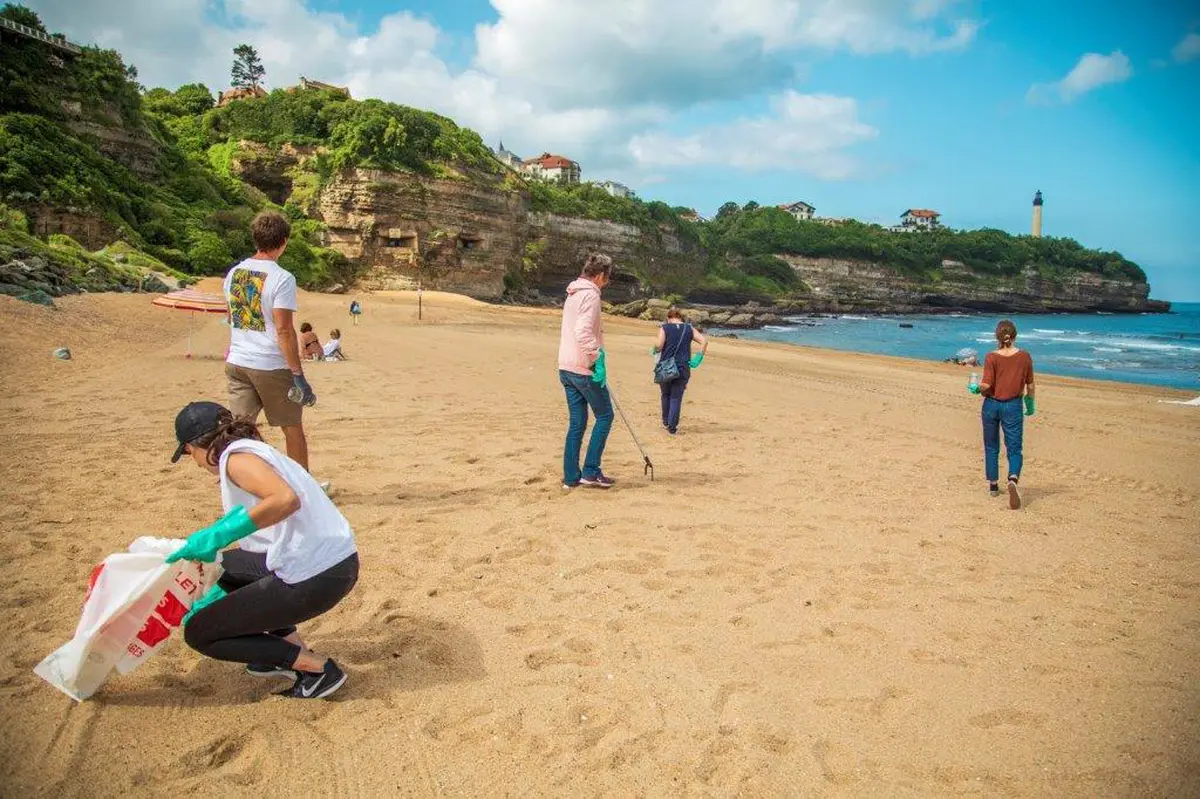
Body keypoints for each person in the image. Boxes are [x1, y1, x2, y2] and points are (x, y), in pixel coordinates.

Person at [167, 401, 358, 699]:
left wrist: (218, 534)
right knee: (221, 567)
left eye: (189, 454)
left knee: (199, 633)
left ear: (194, 447)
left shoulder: (235, 459)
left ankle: (316, 669)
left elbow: (284, 499)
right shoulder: (250, 450)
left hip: (316, 576)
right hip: (338, 562)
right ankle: (287, 649)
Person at [223, 211, 317, 472]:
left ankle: (246, 483)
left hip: (237, 362)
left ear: (255, 238)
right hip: (269, 365)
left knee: (241, 432)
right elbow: (284, 330)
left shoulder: (234, 274)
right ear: (284, 241)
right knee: (292, 427)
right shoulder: (282, 278)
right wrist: (298, 374)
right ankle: (302, 487)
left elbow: (232, 317)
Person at [558, 253, 615, 490]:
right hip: (583, 368)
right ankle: (590, 471)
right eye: (608, 278)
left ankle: (571, 477)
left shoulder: (573, 293)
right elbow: (582, 331)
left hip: (566, 366)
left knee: (577, 422)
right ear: (600, 275)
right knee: (605, 416)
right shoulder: (590, 295)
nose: (608, 283)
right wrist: (597, 357)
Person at [970, 320, 1036, 509]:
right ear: (1014, 336)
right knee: (1014, 448)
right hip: (1013, 405)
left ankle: (993, 485)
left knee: (991, 446)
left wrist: (975, 389)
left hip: (991, 405)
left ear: (997, 337)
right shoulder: (1025, 357)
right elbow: (1030, 385)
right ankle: (1013, 478)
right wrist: (1030, 404)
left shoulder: (991, 357)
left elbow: (986, 385)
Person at [652, 308, 708, 435]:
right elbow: (704, 341)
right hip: (683, 366)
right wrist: (698, 357)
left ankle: (666, 421)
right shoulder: (688, 328)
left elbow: (659, 345)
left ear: (668, 318)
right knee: (676, 397)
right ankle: (672, 427)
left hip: (666, 366)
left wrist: (654, 349)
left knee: (665, 394)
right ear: (681, 318)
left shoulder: (665, 328)